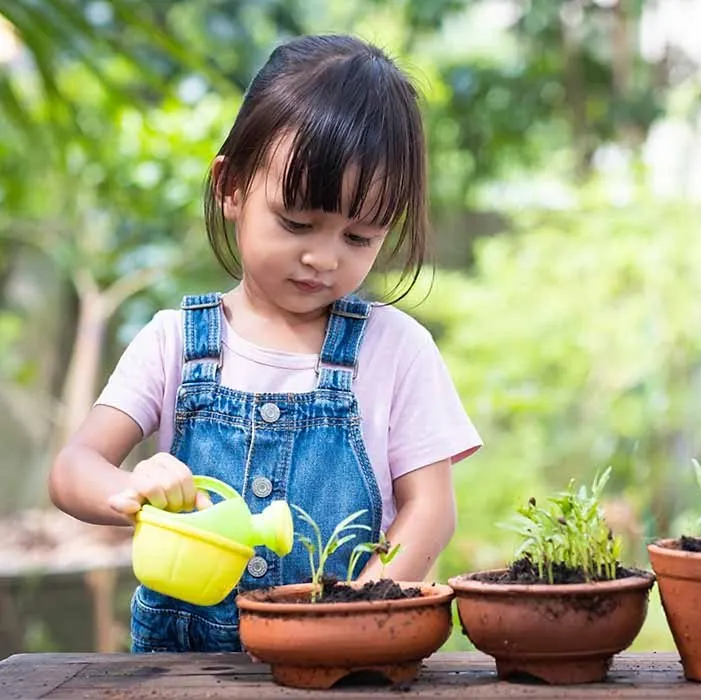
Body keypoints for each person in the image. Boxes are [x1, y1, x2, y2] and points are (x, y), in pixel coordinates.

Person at [48, 34, 481, 653]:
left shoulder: (396, 350)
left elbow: (431, 512)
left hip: (348, 662)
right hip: (184, 676)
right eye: (297, 222)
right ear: (230, 186)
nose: (322, 257)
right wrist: (131, 489)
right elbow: (71, 471)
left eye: (359, 237)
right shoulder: (175, 343)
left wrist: (359, 614)